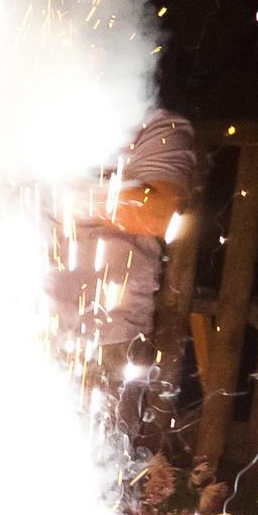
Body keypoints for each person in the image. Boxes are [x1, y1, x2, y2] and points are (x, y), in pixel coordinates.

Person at [55, 108, 195, 435]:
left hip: (103, 340)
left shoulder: (154, 126)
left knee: (98, 465)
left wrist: (64, 192)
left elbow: (158, 213)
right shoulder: (18, 116)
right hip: (6, 322)